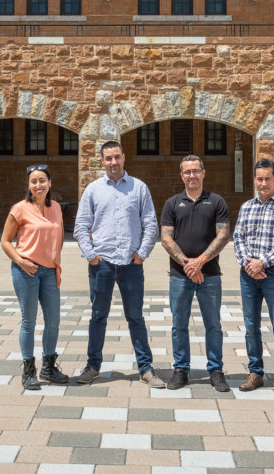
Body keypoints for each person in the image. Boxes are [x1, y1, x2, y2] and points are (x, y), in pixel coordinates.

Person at [73, 140, 165, 388]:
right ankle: (93, 367)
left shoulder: (139, 188)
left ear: (124, 157)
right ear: (102, 161)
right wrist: (91, 254)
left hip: (131, 264)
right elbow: (81, 226)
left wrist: (142, 253)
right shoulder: (93, 190)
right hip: (101, 263)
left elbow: (150, 224)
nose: (113, 162)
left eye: (117, 157)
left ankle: (146, 369)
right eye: (108, 158)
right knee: (97, 317)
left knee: (135, 317)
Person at [160, 155, 231, 392]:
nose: (192, 176)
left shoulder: (217, 201)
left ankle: (216, 370)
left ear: (203, 173)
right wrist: (187, 264)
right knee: (179, 324)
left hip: (209, 275)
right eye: (187, 172)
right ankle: (181, 369)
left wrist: (199, 263)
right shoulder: (172, 203)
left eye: (196, 171)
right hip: (180, 277)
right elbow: (166, 238)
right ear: (181, 175)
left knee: (213, 325)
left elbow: (223, 236)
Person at [233, 157, 274, 400]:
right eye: (259, 179)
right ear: (255, 180)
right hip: (248, 274)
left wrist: (263, 263)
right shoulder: (246, 207)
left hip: (273, 274)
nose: (263, 183)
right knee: (251, 327)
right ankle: (256, 373)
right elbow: (238, 238)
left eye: (267, 178)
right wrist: (247, 263)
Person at [0, 164, 69, 390]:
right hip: (26, 271)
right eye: (34, 181)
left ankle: (49, 367)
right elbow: (5, 241)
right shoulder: (19, 209)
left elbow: (58, 238)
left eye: (42, 180)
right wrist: (21, 261)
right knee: (29, 322)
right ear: (29, 186)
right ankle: (28, 371)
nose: (38, 185)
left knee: (53, 321)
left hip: (49, 271)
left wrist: (55, 262)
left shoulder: (57, 207)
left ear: (49, 183)